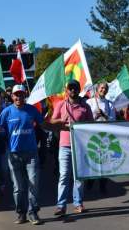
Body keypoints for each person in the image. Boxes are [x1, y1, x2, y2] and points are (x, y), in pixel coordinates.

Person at [0, 85, 45, 225]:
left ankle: (33, 213)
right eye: (16, 95)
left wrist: (62, 126)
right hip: (14, 155)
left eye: (21, 94)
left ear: (25, 95)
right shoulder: (7, 112)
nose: (18, 97)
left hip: (31, 154)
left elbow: (45, 125)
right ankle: (21, 213)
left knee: (33, 183)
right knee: (18, 187)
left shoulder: (32, 110)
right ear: (12, 97)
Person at [51, 80, 93, 217]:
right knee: (64, 175)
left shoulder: (85, 106)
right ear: (66, 90)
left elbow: (91, 125)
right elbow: (51, 122)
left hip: (80, 146)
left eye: (75, 88)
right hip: (65, 145)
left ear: (79, 89)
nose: (73, 90)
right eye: (70, 88)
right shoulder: (60, 105)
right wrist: (60, 121)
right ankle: (60, 205)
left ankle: (78, 203)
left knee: (79, 177)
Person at [86, 82, 116, 193]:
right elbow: (86, 120)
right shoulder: (89, 102)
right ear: (97, 89)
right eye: (102, 88)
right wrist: (95, 115)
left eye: (106, 88)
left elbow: (113, 120)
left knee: (105, 162)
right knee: (93, 161)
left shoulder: (110, 104)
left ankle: (103, 185)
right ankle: (90, 180)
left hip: (105, 137)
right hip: (92, 136)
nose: (104, 90)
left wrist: (104, 115)